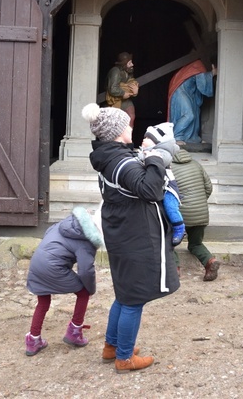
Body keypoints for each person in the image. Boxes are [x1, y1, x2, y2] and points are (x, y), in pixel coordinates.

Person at [82, 102, 179, 374]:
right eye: (128, 124)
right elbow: (150, 190)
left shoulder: (111, 157)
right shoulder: (121, 163)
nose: (131, 127)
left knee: (125, 295)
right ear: (117, 131)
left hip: (123, 232)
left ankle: (112, 347)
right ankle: (124, 358)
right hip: (133, 236)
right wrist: (157, 158)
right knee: (133, 298)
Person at [24, 207, 104, 356]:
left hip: (37, 263)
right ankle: (74, 332)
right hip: (53, 267)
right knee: (84, 292)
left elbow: (48, 235)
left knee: (43, 301)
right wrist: (91, 289)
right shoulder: (87, 240)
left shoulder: (67, 223)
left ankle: (33, 340)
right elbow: (86, 270)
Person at [171, 148, 220, 281]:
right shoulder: (196, 164)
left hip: (179, 214)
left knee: (168, 243)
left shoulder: (168, 167)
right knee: (195, 244)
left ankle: (174, 270)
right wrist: (200, 203)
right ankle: (210, 261)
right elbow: (208, 188)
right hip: (201, 214)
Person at [139, 122, 186, 247]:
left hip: (168, 188)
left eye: (148, 138)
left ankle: (179, 227)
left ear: (158, 142)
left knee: (170, 206)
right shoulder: (146, 151)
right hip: (158, 187)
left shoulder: (163, 152)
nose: (144, 140)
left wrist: (147, 156)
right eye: (145, 137)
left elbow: (160, 160)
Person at [167, 59, 217, 144]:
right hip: (181, 91)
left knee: (195, 113)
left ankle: (192, 138)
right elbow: (202, 85)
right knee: (189, 115)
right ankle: (177, 137)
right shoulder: (198, 65)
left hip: (188, 92)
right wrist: (212, 73)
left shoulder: (195, 64)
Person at [106, 52, 139, 127]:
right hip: (115, 100)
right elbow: (113, 88)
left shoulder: (128, 71)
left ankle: (128, 136)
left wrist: (135, 90)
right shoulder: (115, 71)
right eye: (130, 63)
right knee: (116, 121)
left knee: (131, 117)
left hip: (126, 100)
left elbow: (131, 82)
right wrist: (123, 93)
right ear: (124, 63)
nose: (132, 64)